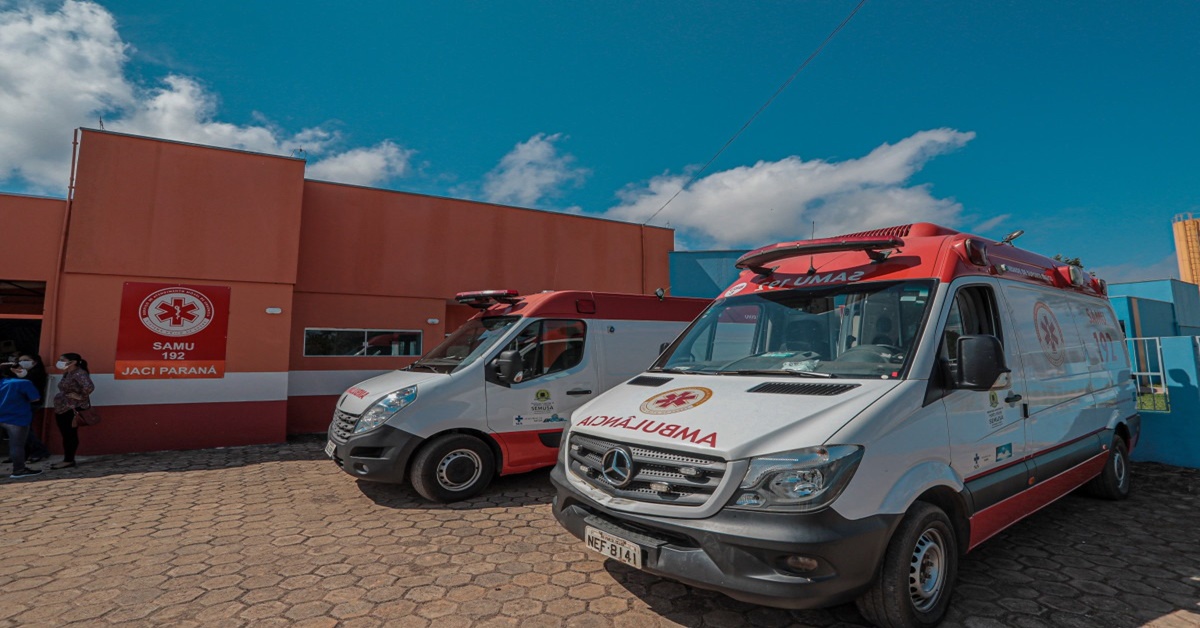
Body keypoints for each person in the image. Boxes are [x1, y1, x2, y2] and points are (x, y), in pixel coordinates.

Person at [52, 352, 94, 470]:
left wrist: (80, 396)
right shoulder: (68, 373)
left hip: (71, 408)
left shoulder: (79, 373)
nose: (60, 362)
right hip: (62, 408)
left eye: (62, 360)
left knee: (70, 434)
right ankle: (67, 459)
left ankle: (69, 460)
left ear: (73, 362)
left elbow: (89, 387)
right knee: (66, 434)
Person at [1, 362, 43, 478]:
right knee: (17, 445)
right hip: (17, 418)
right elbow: (35, 399)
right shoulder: (24, 383)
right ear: (13, 370)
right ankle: (19, 470)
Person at [11, 354, 51, 462]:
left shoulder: (37, 374)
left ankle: (39, 451)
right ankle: (23, 454)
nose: (22, 362)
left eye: (26, 360)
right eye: (20, 360)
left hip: (31, 403)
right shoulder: (19, 374)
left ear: (34, 362)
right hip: (18, 404)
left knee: (23, 430)